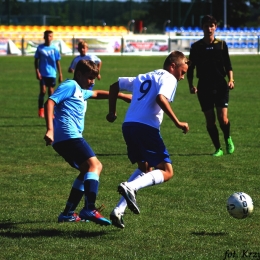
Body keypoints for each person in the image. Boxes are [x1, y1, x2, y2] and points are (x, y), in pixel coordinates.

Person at [106, 51, 190, 229]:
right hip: (146, 128)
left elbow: (114, 86)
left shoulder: (144, 76)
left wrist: (112, 111)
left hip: (128, 126)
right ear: (172, 66)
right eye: (182, 72)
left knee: (145, 168)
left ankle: (118, 210)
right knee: (167, 171)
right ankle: (131, 187)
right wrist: (178, 122)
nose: (182, 78)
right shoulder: (169, 78)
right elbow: (161, 98)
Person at [44, 59, 131, 225]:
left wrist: (122, 96)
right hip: (68, 135)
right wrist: (50, 129)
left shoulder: (80, 90)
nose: (92, 81)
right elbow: (50, 101)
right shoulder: (70, 85)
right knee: (95, 166)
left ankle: (68, 213)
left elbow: (97, 93)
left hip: (64, 138)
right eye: (90, 77)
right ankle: (89, 208)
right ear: (79, 74)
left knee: (86, 171)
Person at [187, 15, 235, 157]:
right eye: (207, 25)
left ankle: (227, 139)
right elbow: (191, 68)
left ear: (215, 27)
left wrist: (231, 79)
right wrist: (191, 85)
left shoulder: (221, 45)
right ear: (202, 27)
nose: (209, 28)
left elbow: (228, 65)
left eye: (212, 25)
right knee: (210, 120)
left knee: (223, 119)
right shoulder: (196, 47)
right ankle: (218, 148)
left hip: (220, 85)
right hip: (204, 87)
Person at [34, 30, 63, 118]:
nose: (48, 38)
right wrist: (37, 71)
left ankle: (51, 111)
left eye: (50, 36)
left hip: (52, 73)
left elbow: (58, 62)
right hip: (43, 73)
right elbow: (36, 61)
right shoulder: (40, 48)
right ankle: (41, 110)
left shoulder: (54, 49)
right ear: (44, 37)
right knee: (43, 91)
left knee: (51, 92)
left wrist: (60, 74)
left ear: (52, 37)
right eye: (47, 36)